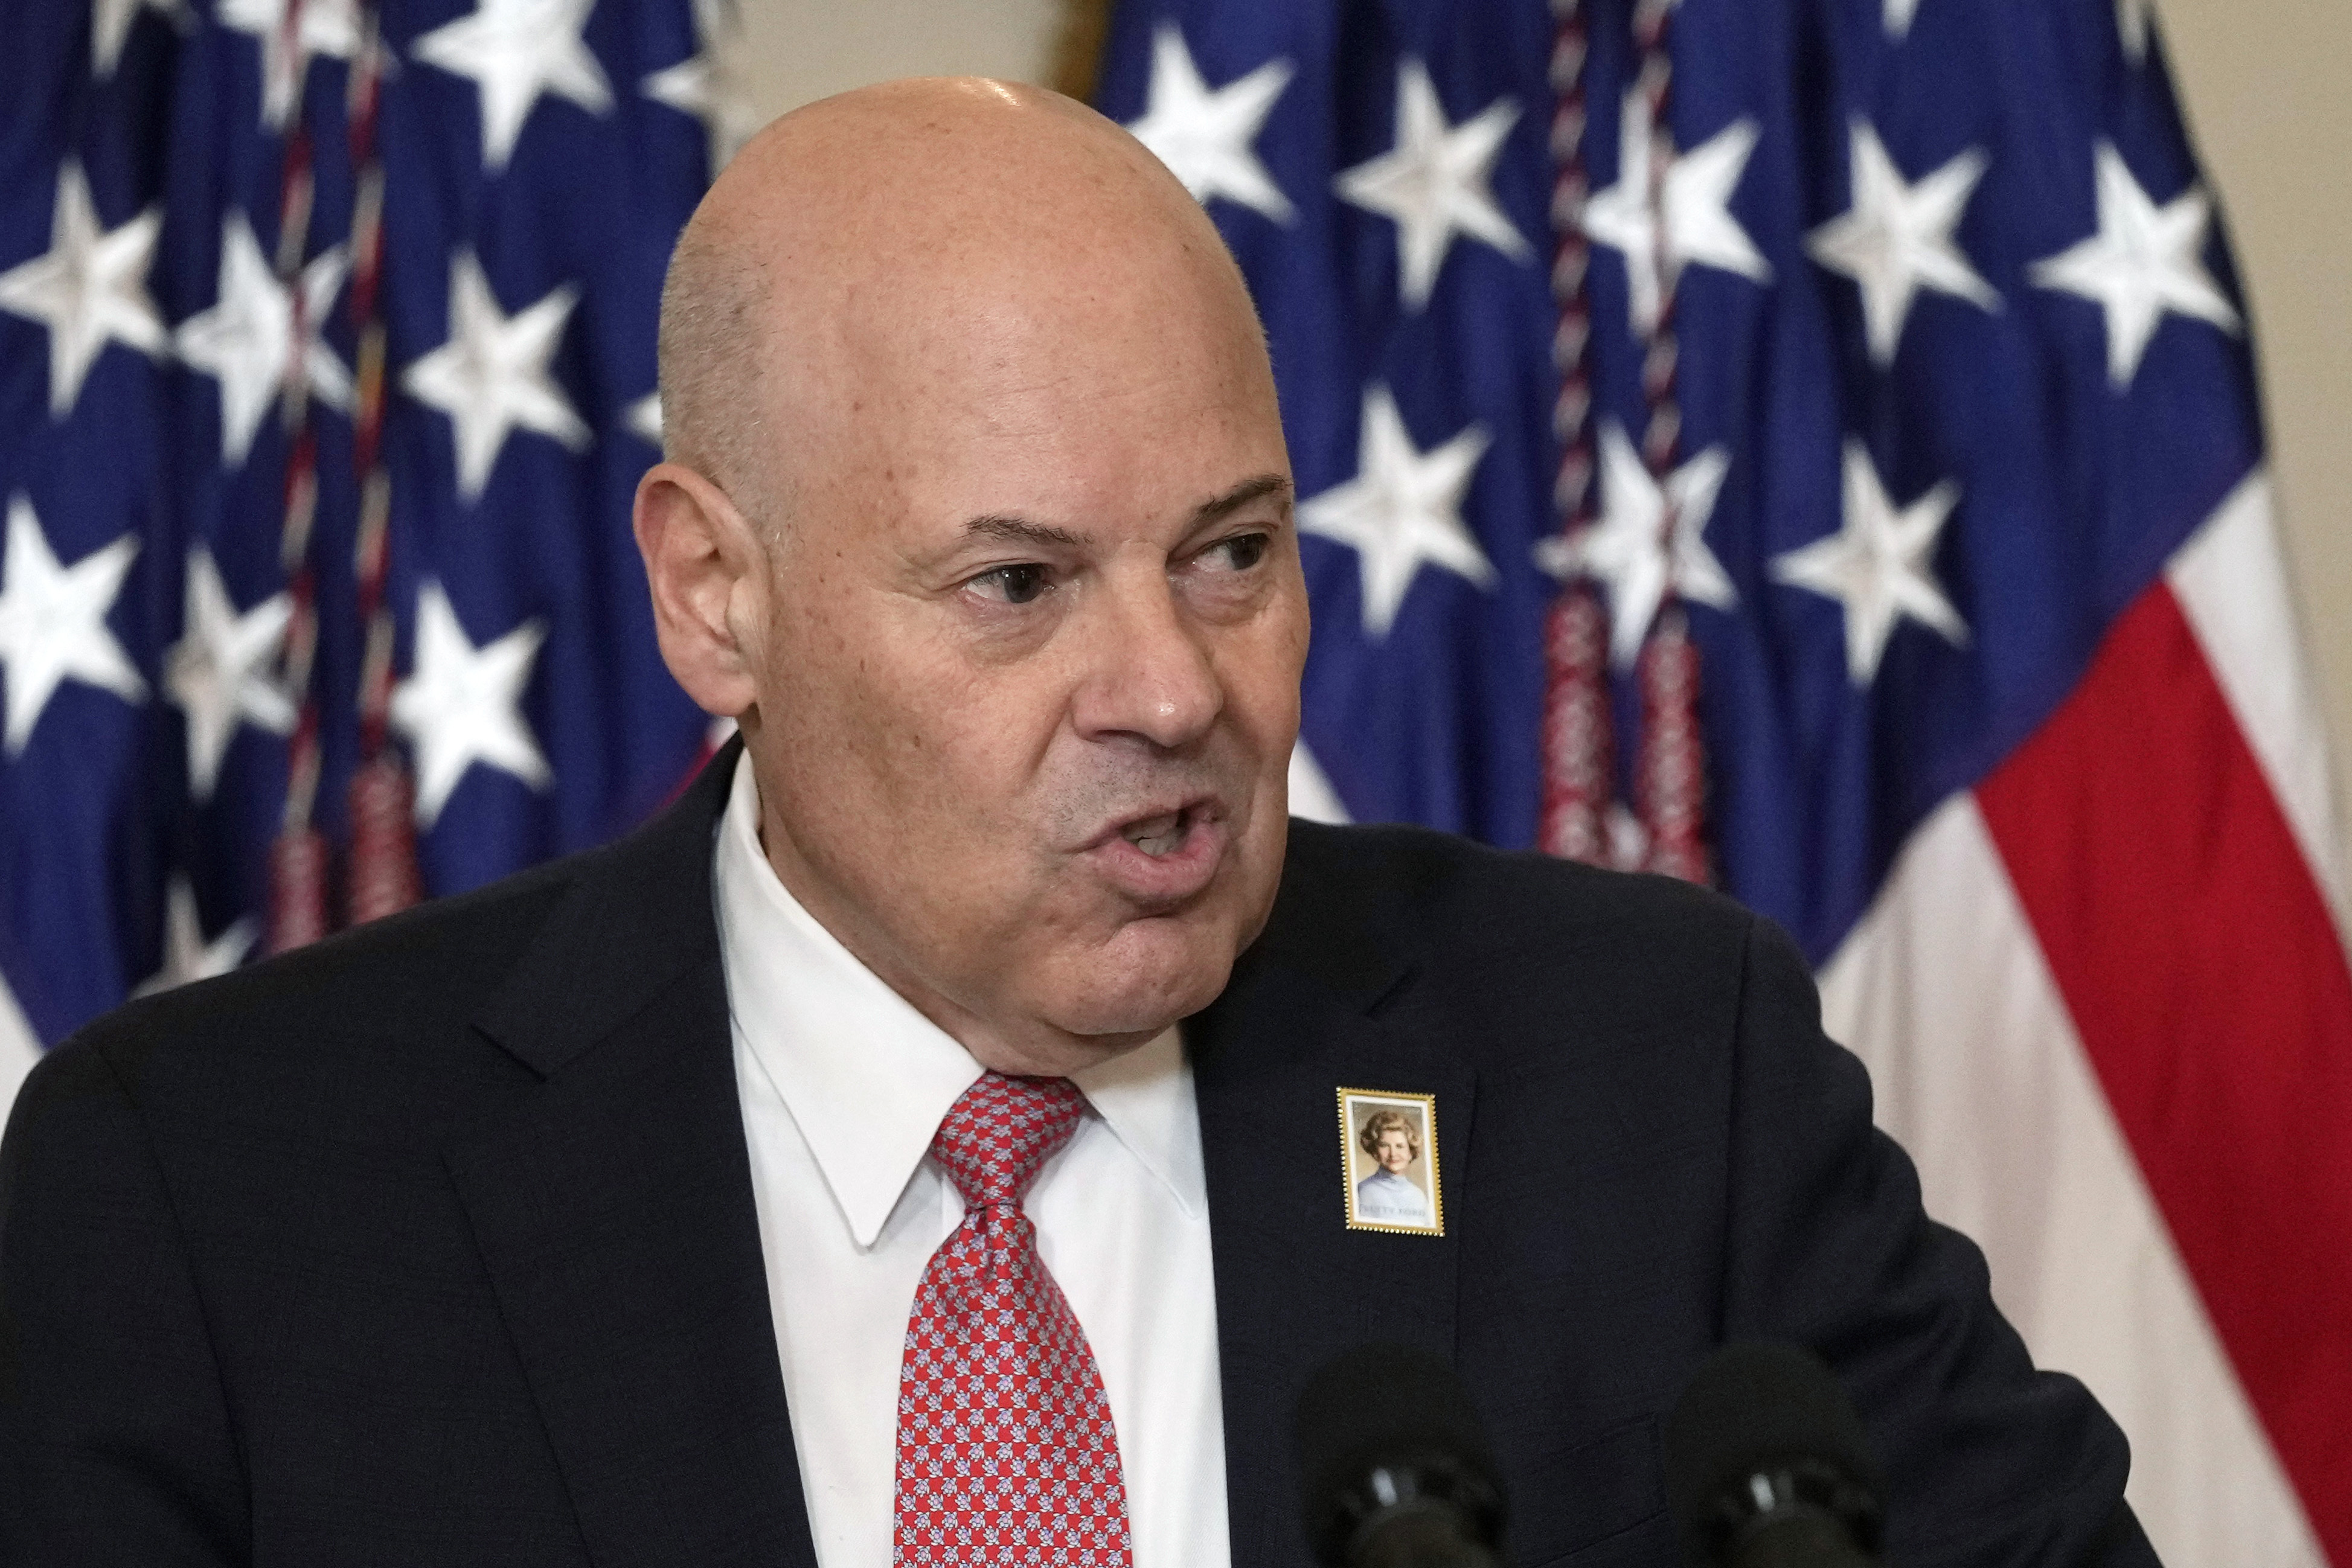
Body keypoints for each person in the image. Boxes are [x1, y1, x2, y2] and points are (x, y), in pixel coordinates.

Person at [0, 79, 2159, 1568]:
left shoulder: (1647, 1076)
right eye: (1018, 586)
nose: (1172, 689)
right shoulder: (225, 1206)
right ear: (713, 593)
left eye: (1231, 554)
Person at [1353, 1109, 1431, 1226]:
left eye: (1400, 1146)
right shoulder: (1363, 1192)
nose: (1393, 1154)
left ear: (1410, 1151)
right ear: (1375, 1151)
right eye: (1384, 1146)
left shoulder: (1419, 1196)